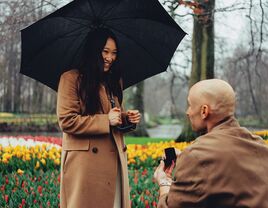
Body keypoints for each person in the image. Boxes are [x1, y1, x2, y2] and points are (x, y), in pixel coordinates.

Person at [57, 28, 141, 208]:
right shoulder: (71, 79)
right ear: (94, 50)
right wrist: (105, 121)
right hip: (86, 165)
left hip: (114, 161)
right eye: (105, 51)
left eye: (114, 53)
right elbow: (67, 120)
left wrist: (127, 118)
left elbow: (113, 115)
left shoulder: (112, 81)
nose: (110, 57)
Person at [154, 79, 268, 208]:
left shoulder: (196, 156)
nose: (188, 112)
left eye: (190, 105)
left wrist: (164, 182)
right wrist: (185, 159)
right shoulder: (261, 146)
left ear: (204, 111)